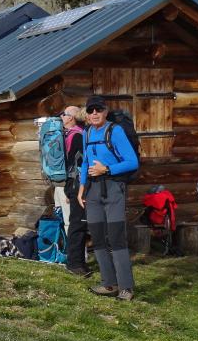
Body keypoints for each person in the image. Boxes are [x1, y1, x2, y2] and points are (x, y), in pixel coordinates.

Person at [77, 98, 137, 300]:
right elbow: (85, 162)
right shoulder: (86, 133)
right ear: (87, 113)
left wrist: (107, 168)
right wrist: (81, 188)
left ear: (105, 111)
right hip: (92, 190)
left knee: (116, 237)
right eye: (90, 110)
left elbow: (132, 162)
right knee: (98, 237)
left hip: (113, 188)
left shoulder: (115, 131)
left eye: (98, 110)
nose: (94, 113)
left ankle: (126, 288)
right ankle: (109, 284)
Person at [53, 105, 90, 276]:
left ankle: (75, 260)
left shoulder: (70, 135)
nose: (61, 116)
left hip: (69, 184)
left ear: (72, 118)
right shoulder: (78, 136)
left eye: (64, 114)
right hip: (75, 185)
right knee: (77, 223)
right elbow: (78, 166)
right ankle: (75, 262)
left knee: (73, 222)